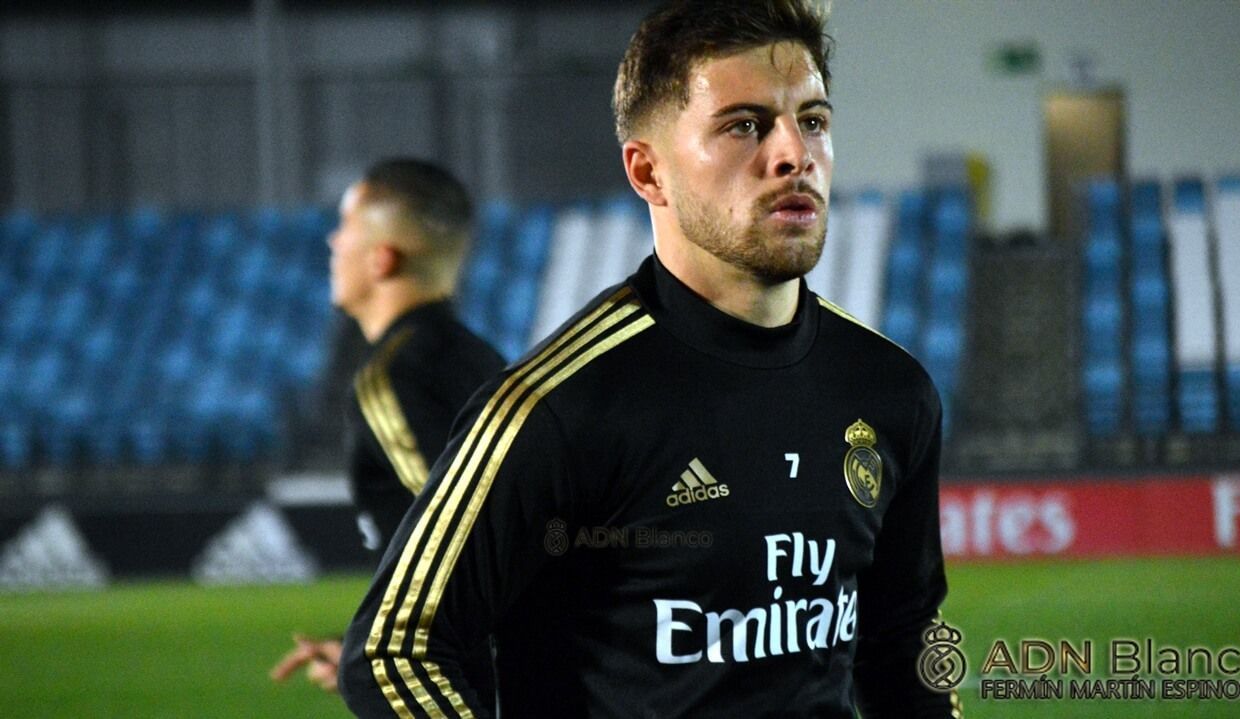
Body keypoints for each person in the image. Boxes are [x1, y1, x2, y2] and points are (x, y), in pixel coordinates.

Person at [340, 2, 959, 717]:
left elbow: (903, 638)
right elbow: (397, 649)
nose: (795, 153)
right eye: (745, 126)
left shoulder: (891, 388)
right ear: (648, 171)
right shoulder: (557, 406)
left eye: (813, 120)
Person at [270, 159, 504, 702]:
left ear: (382, 258)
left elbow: (469, 536)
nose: (332, 241)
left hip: (462, 679)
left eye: (345, 226)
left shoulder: (392, 378)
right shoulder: (480, 358)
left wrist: (382, 653)